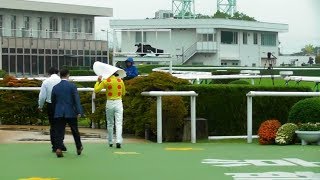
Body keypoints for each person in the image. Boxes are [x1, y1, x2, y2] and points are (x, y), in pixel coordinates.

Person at [51, 69, 83, 158]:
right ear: (68, 75)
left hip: (59, 112)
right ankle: (79, 147)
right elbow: (76, 100)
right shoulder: (72, 86)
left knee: (59, 131)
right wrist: (79, 111)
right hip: (71, 112)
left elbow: (53, 101)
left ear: (60, 75)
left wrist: (55, 111)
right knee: (75, 130)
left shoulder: (55, 87)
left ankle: (58, 148)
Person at [94, 70, 126, 149]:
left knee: (110, 123)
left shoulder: (106, 81)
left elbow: (96, 90)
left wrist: (98, 81)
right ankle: (118, 140)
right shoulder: (120, 81)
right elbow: (123, 93)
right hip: (118, 102)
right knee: (119, 123)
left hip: (109, 102)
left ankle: (110, 141)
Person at [38, 67, 67, 152]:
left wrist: (40, 106)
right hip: (62, 105)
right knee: (61, 125)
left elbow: (42, 96)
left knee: (53, 126)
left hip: (51, 105)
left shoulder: (46, 82)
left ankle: (55, 145)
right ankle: (60, 144)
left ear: (49, 73)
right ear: (58, 73)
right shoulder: (62, 81)